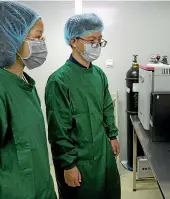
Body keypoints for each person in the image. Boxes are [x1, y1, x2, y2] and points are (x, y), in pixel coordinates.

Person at [0, 1, 56, 198]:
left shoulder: (25, 84)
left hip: (40, 188)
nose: (42, 43)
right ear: (11, 38)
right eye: (37, 37)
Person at [45, 13, 121, 199]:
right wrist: (68, 165)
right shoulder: (59, 80)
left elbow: (106, 109)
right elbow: (58, 130)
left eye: (99, 40)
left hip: (103, 152)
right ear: (73, 41)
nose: (96, 44)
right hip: (78, 159)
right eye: (91, 39)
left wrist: (112, 135)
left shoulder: (99, 75)